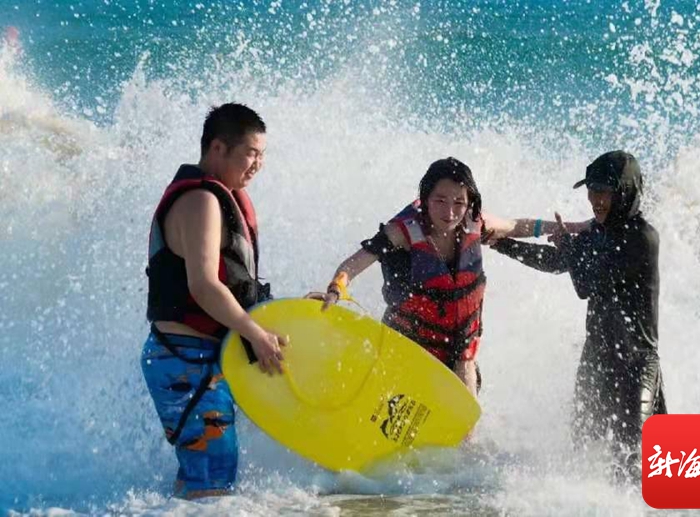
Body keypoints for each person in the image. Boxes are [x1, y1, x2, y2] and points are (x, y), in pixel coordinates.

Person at [309, 157, 586, 397]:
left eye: (459, 202)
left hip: (459, 345)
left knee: (466, 416)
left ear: (469, 202)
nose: (450, 212)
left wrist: (576, 227)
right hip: (407, 340)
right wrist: (336, 288)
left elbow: (516, 226)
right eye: (440, 201)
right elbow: (357, 261)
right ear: (426, 199)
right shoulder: (403, 232)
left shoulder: (475, 222)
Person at [141, 103, 287, 499]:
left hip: (201, 356)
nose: (258, 165)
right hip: (184, 358)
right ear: (218, 148)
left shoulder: (222, 197)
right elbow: (204, 286)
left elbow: (235, 284)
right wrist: (254, 333)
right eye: (251, 154)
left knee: (205, 477)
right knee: (212, 481)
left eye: (262, 155)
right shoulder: (201, 200)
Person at [490, 150, 666, 477]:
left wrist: (570, 249)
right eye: (592, 190)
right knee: (584, 453)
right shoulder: (597, 232)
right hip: (596, 358)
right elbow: (555, 262)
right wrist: (502, 244)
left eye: (604, 192)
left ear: (624, 192)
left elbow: (586, 284)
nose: (595, 200)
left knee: (634, 460)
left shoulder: (643, 238)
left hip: (636, 364)